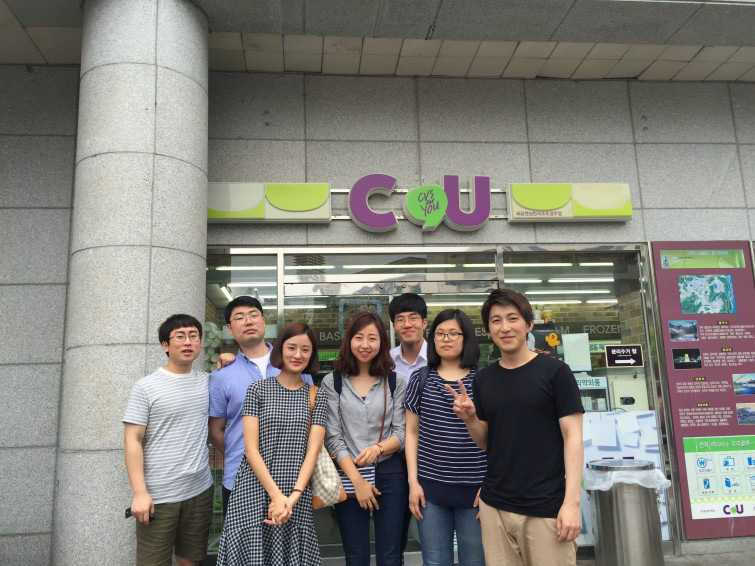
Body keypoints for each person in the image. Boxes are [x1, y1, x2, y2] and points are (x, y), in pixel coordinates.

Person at [449, 289, 584, 566]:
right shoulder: (484, 379)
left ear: (529, 324)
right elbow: (485, 442)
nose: (505, 327)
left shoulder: (556, 372)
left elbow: (573, 437)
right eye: (496, 321)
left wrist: (571, 503)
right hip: (495, 507)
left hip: (545, 508)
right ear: (488, 330)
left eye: (513, 318)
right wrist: (470, 419)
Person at [216, 322, 327, 565]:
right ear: (280, 349)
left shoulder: (317, 395)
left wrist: (293, 496)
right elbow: (251, 449)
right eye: (291, 347)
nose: (298, 355)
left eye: (305, 350)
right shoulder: (257, 390)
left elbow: (313, 450)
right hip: (253, 488)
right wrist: (276, 495)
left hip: (296, 492)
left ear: (312, 354)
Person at [123, 314, 214, 566]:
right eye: (179, 337)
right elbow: (132, 440)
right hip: (159, 495)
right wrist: (140, 492)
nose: (188, 342)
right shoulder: (146, 387)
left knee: (189, 560)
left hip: (199, 491)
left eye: (193, 336)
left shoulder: (207, 381)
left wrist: (228, 359)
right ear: (165, 345)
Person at [209, 296, 313, 516]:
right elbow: (215, 430)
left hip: (291, 478)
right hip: (239, 479)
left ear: (264, 321)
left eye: (254, 315)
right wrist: (246, 454)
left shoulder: (295, 364)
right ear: (230, 329)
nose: (248, 321)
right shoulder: (221, 376)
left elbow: (310, 421)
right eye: (240, 317)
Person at [322, 311, 408, 566]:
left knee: (390, 555)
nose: (365, 345)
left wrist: (379, 448)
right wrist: (357, 481)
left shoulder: (395, 381)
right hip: (348, 472)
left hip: (389, 473)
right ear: (349, 340)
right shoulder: (333, 382)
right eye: (359, 337)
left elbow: (401, 433)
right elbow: (333, 438)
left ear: (382, 342)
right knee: (356, 555)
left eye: (372, 338)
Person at [405, 309, 486, 566]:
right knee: (435, 562)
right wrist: (413, 483)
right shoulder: (420, 378)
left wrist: (492, 485)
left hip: (476, 492)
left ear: (466, 338)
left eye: (453, 333)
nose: (445, 339)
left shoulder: (484, 379)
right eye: (440, 333)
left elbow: (499, 437)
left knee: (476, 562)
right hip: (430, 492)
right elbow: (411, 432)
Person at [388, 292, 428, 384]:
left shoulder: (439, 358)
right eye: (400, 320)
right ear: (394, 327)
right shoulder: (387, 360)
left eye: (413, 318)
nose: (407, 325)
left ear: (424, 323)